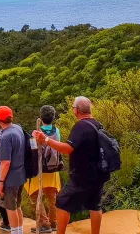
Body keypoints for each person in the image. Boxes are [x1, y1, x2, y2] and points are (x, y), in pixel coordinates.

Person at [33, 97, 110, 234]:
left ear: (76, 110)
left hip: (81, 175)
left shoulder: (80, 127)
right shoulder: (97, 124)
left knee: (62, 203)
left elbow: (68, 148)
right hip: (99, 173)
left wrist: (45, 140)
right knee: (95, 205)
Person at [24, 105, 62, 233]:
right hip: (53, 168)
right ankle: (54, 221)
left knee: (35, 195)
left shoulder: (36, 133)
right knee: (52, 196)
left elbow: (33, 151)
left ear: (40, 117)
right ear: (54, 117)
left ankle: (44, 223)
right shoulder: (57, 131)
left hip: (39, 169)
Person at [0, 106, 27, 234]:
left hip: (10, 179)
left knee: (10, 208)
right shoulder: (17, 128)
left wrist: (0, 182)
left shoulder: (6, 136)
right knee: (17, 206)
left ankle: (15, 232)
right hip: (20, 175)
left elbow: (6, 163)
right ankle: (20, 232)